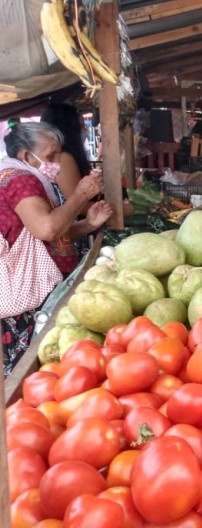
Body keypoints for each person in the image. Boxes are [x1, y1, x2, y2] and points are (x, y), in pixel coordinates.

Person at [0, 122, 112, 375]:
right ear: (26, 156)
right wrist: (80, 195)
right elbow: (46, 229)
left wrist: (87, 224)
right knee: (33, 370)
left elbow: (40, 237)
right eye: (50, 155)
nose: (57, 163)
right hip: (27, 305)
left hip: (35, 296)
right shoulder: (20, 181)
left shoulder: (26, 177)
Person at [40, 103, 92, 204]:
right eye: (80, 126)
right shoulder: (64, 158)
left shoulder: (59, 156)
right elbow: (78, 205)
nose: (86, 131)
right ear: (68, 129)